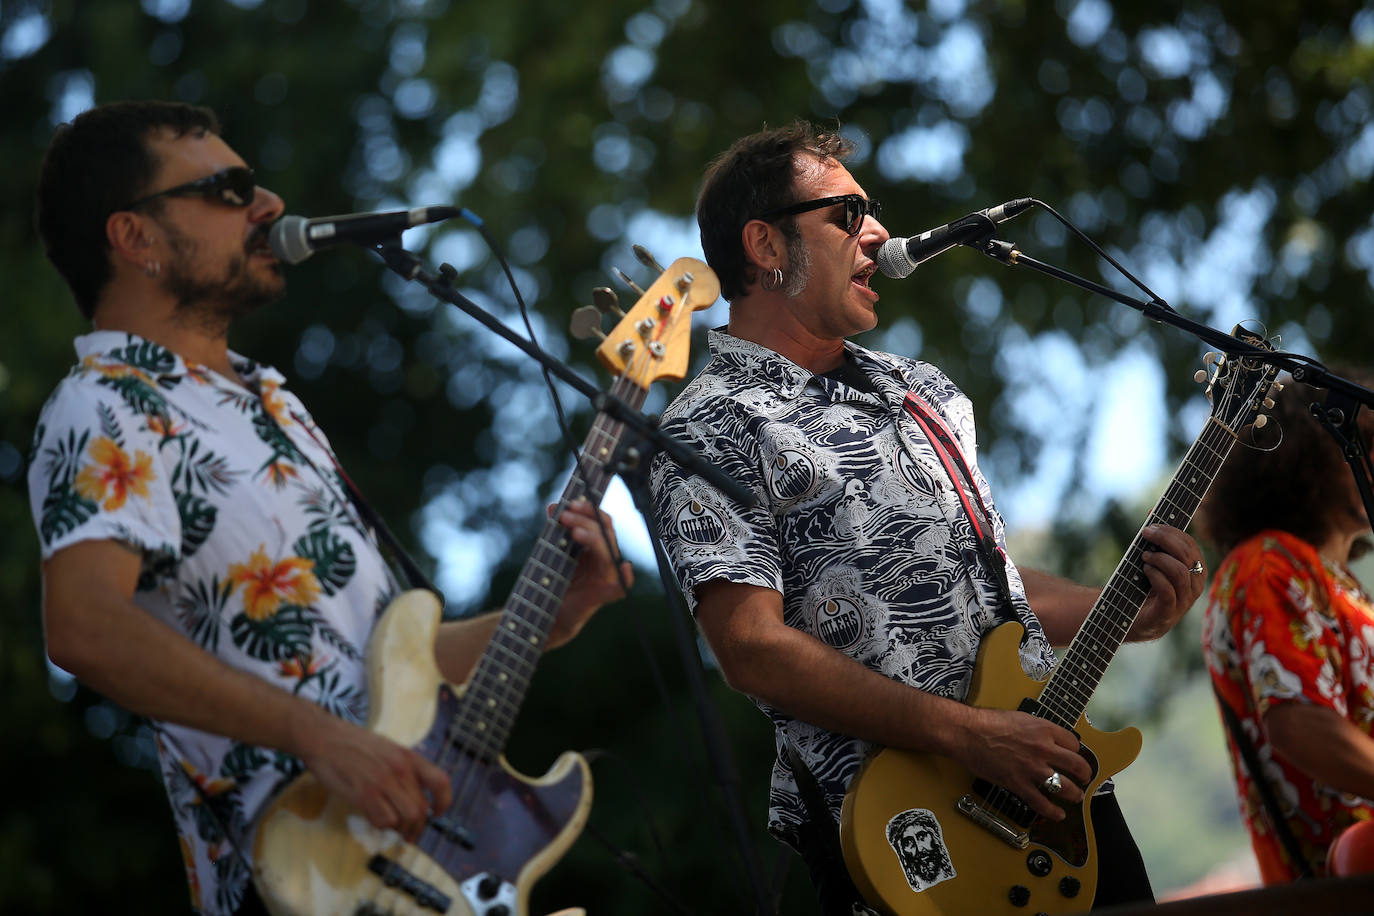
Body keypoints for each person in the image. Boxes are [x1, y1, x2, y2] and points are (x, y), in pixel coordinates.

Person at [27, 100, 632, 916]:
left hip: (414, 865)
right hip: (301, 882)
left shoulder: (274, 402)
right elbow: (84, 626)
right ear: (136, 238)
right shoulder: (104, 403)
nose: (269, 203)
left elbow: (391, 677)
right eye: (231, 188)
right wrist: (320, 739)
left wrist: (550, 617)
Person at [648, 122, 1207, 913]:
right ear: (766, 245)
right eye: (847, 213)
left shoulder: (927, 393)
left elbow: (993, 582)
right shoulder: (712, 423)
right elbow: (750, 649)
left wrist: (1123, 612)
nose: (878, 231)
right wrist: (966, 734)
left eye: (871, 211)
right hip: (897, 833)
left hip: (1053, 791)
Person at [1198, 376, 1374, 883]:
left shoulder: (1338, 584)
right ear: (1307, 456)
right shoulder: (1267, 565)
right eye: (1360, 443)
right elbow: (1297, 722)